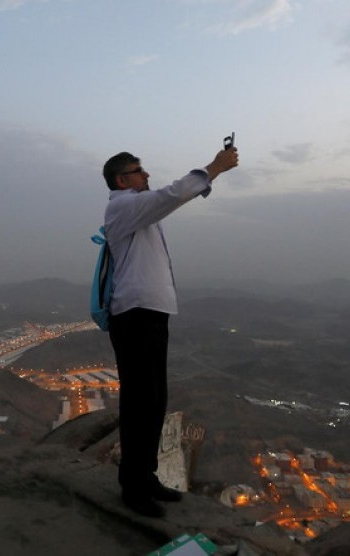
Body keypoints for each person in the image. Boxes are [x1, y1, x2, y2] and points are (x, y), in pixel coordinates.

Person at [102, 145, 239, 518]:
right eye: (138, 170)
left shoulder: (137, 210)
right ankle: (132, 487)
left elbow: (165, 199)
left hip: (150, 314)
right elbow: (172, 195)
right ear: (122, 180)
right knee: (139, 403)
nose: (146, 175)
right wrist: (214, 168)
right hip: (134, 315)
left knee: (154, 399)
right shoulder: (123, 206)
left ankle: (145, 478)